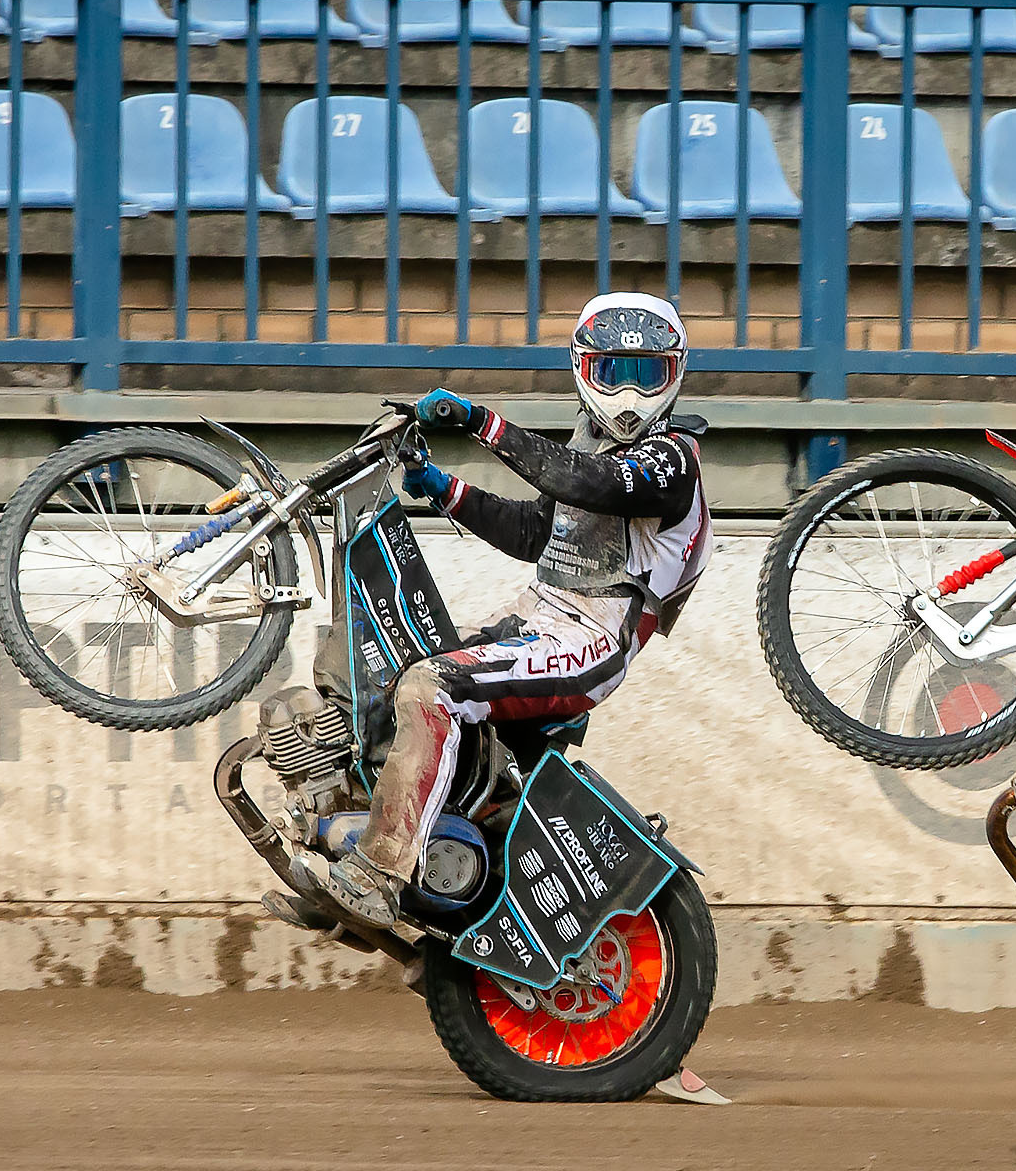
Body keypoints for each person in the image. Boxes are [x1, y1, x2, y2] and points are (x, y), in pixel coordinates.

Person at [297, 292, 711, 932]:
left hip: (593, 638)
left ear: (676, 375)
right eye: (613, 373)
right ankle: (380, 835)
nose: (629, 396)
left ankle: (378, 874)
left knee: (432, 689)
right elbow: (533, 532)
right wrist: (442, 489)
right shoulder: (587, 448)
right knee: (390, 659)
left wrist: (481, 422)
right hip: (536, 618)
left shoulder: (673, 458)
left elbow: (586, 485)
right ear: (582, 370)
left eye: (646, 375)